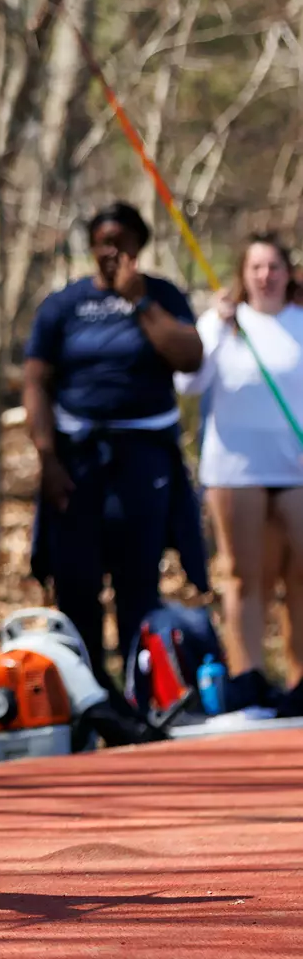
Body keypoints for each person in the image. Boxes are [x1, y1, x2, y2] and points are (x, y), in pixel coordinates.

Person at [24, 202, 208, 698]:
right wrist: (47, 458)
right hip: (77, 460)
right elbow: (36, 382)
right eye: (103, 241)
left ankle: (140, 690)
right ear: (90, 245)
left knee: (137, 579)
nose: (111, 252)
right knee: (77, 581)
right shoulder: (63, 305)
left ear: (138, 247)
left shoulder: (162, 295)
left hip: (142, 458)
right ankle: (88, 695)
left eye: (122, 243)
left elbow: (190, 356)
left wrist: (140, 301)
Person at [175, 233, 303, 711]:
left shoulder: (299, 322)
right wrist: (212, 329)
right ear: (243, 275)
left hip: (293, 466)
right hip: (235, 469)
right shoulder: (222, 324)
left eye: (274, 266)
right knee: (244, 576)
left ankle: (299, 677)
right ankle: (246, 673)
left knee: (300, 573)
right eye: (256, 268)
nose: (266, 276)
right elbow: (188, 384)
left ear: (288, 272)